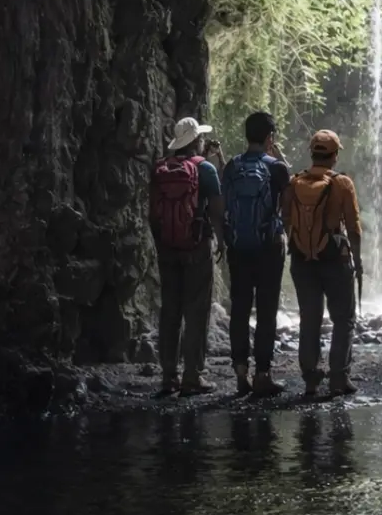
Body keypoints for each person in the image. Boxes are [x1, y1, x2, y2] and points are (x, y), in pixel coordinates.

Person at [281, 130, 363, 398]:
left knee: (309, 319)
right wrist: (357, 260)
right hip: (334, 261)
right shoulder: (342, 184)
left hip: (303, 262)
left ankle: (311, 380)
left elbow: (285, 219)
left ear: (312, 153)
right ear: (335, 156)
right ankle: (339, 378)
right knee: (343, 319)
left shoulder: (294, 184)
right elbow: (354, 227)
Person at [149, 116, 226, 398]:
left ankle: (169, 376)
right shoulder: (205, 169)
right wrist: (221, 241)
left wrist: (161, 242)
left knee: (170, 311)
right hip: (196, 247)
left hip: (167, 247)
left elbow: (153, 212)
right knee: (196, 311)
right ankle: (193, 376)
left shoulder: (160, 169)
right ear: (197, 140)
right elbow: (217, 209)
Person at [221, 112, 291, 397]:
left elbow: (225, 204)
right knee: (266, 310)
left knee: (239, 308)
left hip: (239, 246)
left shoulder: (232, 166)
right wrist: (280, 232)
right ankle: (263, 373)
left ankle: (240, 372)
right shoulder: (277, 168)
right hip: (267, 248)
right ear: (269, 138)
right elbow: (287, 208)